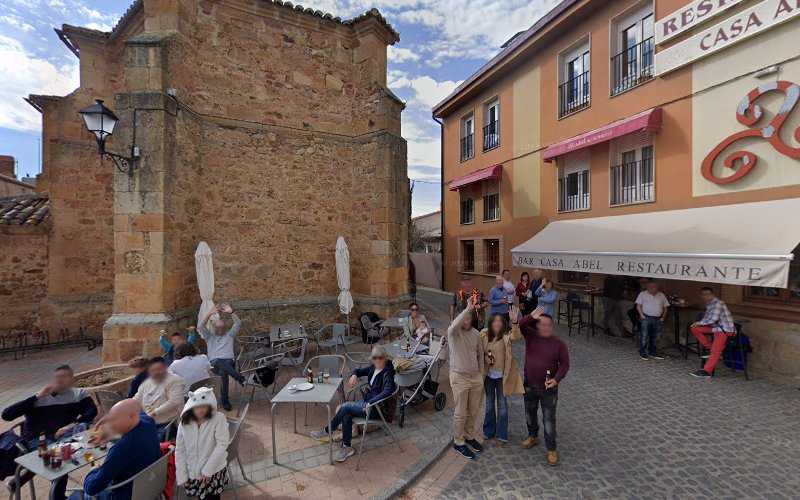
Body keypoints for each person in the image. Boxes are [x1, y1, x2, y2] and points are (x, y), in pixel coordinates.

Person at [2, 365, 98, 500]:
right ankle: (57, 497)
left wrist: (73, 424)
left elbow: (91, 411)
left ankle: (18, 482)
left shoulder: (78, 394)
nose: (60, 380)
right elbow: (6, 415)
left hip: (63, 438)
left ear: (72, 380)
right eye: (58, 377)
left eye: (65, 377)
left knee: (87, 451)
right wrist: (36, 397)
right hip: (36, 439)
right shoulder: (40, 396)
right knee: (60, 462)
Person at [310, 345, 396, 462]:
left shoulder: (388, 372)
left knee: (345, 407)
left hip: (377, 409)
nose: (377, 360)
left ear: (385, 358)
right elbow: (358, 371)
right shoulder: (374, 367)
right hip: (367, 404)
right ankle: (347, 447)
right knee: (346, 414)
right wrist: (354, 375)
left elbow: (388, 391)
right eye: (374, 358)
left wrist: (370, 402)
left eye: (379, 358)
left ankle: (327, 431)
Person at [69, 399, 160, 500]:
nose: (111, 423)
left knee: (80, 494)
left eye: (115, 419)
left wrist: (92, 472)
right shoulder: (148, 422)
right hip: (149, 485)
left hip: (125, 494)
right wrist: (110, 422)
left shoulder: (121, 448)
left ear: (132, 417)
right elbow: (139, 412)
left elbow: (92, 488)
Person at [519, 307, 570, 466]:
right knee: (530, 413)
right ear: (537, 325)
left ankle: (551, 449)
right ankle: (533, 436)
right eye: (542, 324)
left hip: (548, 388)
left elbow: (565, 364)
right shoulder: (531, 336)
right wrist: (531, 316)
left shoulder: (559, 344)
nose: (545, 327)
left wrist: (556, 379)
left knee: (548, 419)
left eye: (548, 325)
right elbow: (521, 324)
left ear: (552, 326)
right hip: (529, 385)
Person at [443, 295, 485, 459]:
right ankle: (458, 441)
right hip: (459, 377)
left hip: (475, 378)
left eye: (469, 318)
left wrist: (481, 375)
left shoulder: (476, 334)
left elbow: (480, 355)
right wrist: (467, 308)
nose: (466, 321)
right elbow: (453, 326)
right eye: (464, 318)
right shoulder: (454, 333)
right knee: (461, 412)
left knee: (473, 410)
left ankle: (468, 435)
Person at [175, 387, 230, 500]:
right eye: (197, 407)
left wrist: (208, 470)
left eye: (204, 406)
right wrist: (182, 474)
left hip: (213, 472)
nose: (201, 410)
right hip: (193, 472)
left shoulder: (219, 419)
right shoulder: (184, 424)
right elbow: (180, 450)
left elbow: (222, 444)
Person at [480, 306, 524, 444]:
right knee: (488, 405)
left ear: (503, 323)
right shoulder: (484, 335)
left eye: (500, 321)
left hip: (501, 378)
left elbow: (516, 335)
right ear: (491, 322)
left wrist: (515, 322)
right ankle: (488, 431)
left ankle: (502, 433)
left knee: (503, 406)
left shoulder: (506, 337)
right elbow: (478, 351)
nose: (497, 323)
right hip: (488, 377)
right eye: (495, 321)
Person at [198, 303, 245, 411]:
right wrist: (209, 314)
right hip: (215, 365)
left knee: (224, 368)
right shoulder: (209, 337)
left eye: (222, 327)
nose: (219, 329)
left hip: (228, 362)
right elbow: (201, 326)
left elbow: (238, 323)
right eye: (217, 327)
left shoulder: (230, 335)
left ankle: (225, 400)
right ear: (214, 328)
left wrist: (231, 312)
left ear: (226, 328)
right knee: (220, 364)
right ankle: (239, 378)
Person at [689, 287, 736, 378]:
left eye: (707, 294)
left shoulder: (718, 303)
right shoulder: (710, 304)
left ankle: (707, 372)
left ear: (712, 294)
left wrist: (699, 322)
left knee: (716, 350)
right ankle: (709, 347)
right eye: (703, 295)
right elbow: (707, 319)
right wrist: (698, 324)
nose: (705, 296)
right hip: (716, 328)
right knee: (695, 328)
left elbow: (713, 319)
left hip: (725, 330)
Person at [133, 357, 185, 439]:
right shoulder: (147, 383)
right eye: (153, 370)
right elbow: (137, 398)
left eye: (159, 369)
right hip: (147, 420)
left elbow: (175, 401)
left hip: (166, 423)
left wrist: (155, 412)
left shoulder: (175, 380)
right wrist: (126, 407)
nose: (156, 372)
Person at [635, 280, 670, 360]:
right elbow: (638, 306)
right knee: (644, 336)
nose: (652, 288)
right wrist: (641, 315)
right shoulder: (642, 294)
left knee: (655, 337)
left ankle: (653, 352)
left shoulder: (661, 295)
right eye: (650, 287)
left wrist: (663, 318)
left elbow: (666, 307)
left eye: (654, 287)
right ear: (647, 287)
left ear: (657, 288)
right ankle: (642, 352)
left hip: (658, 319)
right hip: (646, 318)